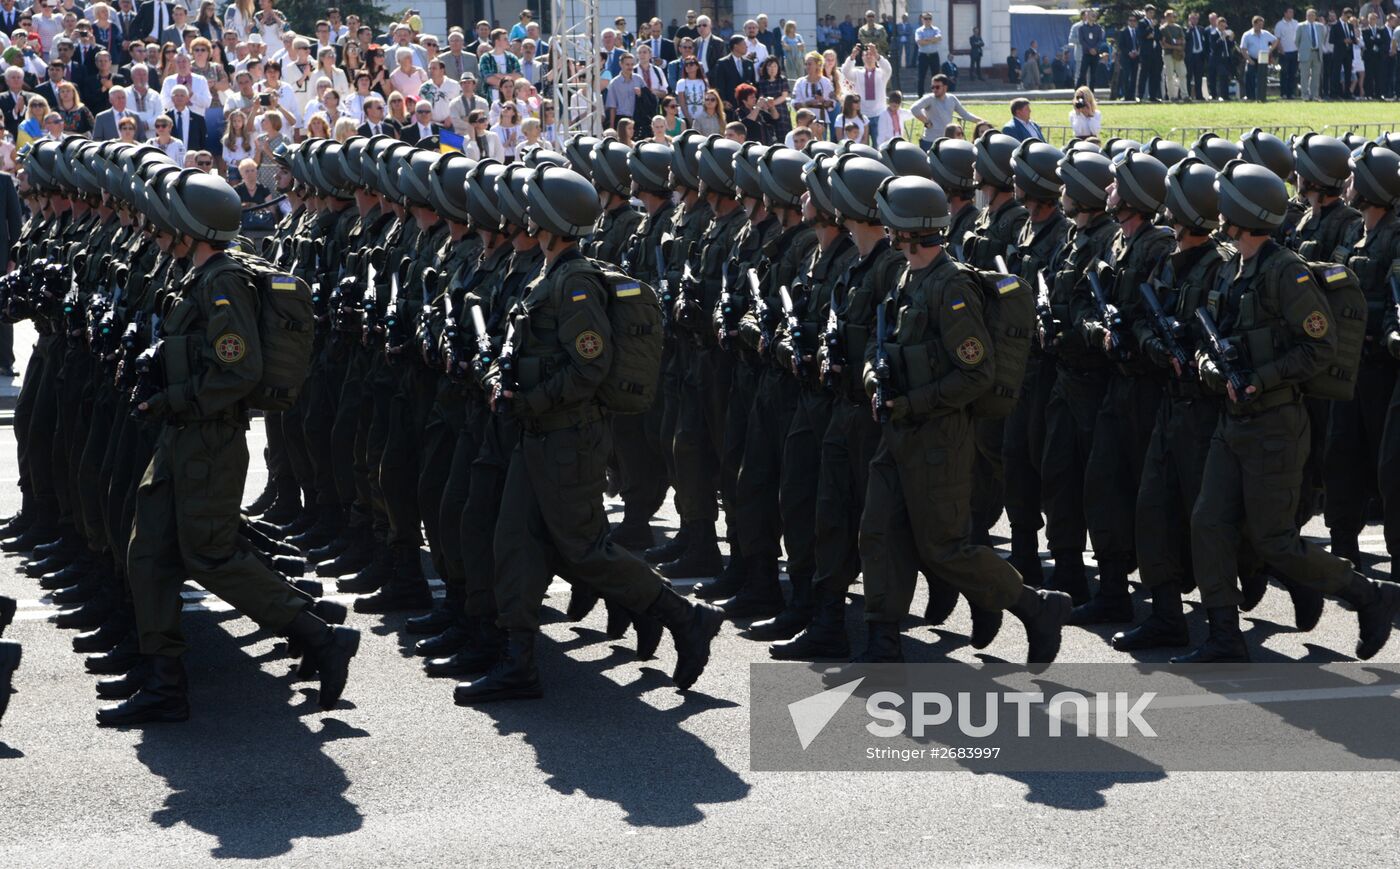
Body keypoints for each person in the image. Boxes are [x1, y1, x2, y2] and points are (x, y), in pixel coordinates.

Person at [452, 164, 723, 704]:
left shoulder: (574, 284)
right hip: (539, 434)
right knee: (516, 545)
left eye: (535, 211)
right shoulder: (547, 275)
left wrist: (530, 397)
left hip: (568, 438)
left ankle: (685, 617)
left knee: (585, 549)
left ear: (553, 220)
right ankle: (518, 661)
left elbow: (587, 368)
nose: (525, 218)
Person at [99, 170, 360, 725]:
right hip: (184, 436)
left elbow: (237, 369)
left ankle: (320, 633)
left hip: (208, 438)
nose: (158, 228)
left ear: (191, 227)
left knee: (211, 554)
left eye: (169, 221)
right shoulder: (200, 276)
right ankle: (165, 682)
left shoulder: (223, 282)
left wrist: (172, 397)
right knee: (148, 554)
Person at [1176, 160, 1400, 663]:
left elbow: (1318, 347)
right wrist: (1213, 365)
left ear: (1242, 213)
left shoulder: (1286, 273)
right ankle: (1224, 636)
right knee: (1208, 521)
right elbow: (1214, 336)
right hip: (1234, 422)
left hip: (1276, 424)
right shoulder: (1232, 266)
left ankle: (1369, 595)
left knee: (1274, 541)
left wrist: (1260, 379)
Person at [841, 41, 891, 142]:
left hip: (879, 114)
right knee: (862, 146)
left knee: (879, 145)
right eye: (866, 54)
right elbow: (846, 71)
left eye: (871, 54)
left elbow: (888, 68)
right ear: (862, 58)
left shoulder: (882, 74)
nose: (869, 56)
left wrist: (876, 54)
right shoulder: (857, 74)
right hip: (862, 115)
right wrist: (852, 56)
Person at [1240, 16, 1277, 101]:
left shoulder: (1265, 33)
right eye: (1259, 24)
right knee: (1250, 79)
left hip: (1263, 59)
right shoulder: (1247, 35)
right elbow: (1243, 49)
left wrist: (1270, 50)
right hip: (1252, 59)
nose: (1261, 26)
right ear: (1254, 24)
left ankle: (1261, 96)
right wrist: (1249, 60)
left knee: (1262, 79)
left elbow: (1275, 41)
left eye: (1262, 24)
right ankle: (1250, 97)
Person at [755, 55, 789, 142]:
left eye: (774, 66)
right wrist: (766, 104)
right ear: (766, 68)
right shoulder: (762, 80)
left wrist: (772, 103)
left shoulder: (782, 79)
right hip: (767, 110)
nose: (772, 69)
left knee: (783, 135)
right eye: (769, 66)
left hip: (781, 110)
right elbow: (761, 95)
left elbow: (784, 96)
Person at [1298, 8, 1326, 101]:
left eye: (1313, 15)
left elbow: (1323, 39)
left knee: (1316, 76)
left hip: (1317, 53)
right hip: (1306, 53)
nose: (1311, 17)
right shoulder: (1301, 26)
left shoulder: (1320, 26)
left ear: (1315, 16)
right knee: (1304, 76)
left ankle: (1315, 95)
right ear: (1306, 16)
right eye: (1309, 15)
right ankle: (1304, 95)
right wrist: (1303, 49)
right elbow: (1297, 41)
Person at [914, 12, 942, 96]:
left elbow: (939, 38)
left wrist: (926, 40)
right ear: (922, 19)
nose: (928, 20)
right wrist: (932, 40)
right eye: (926, 18)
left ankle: (937, 94)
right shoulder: (919, 30)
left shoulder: (936, 29)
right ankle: (920, 95)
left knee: (936, 77)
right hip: (923, 56)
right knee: (921, 76)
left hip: (934, 55)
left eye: (929, 18)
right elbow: (919, 42)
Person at [674, 55, 706, 124]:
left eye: (691, 64)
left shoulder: (703, 82)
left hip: (701, 117)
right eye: (686, 64)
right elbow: (682, 103)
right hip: (685, 117)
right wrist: (690, 120)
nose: (688, 66)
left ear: (697, 66)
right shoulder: (681, 82)